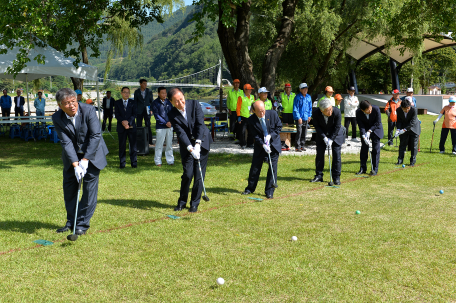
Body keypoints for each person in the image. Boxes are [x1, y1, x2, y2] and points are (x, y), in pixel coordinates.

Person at [52, 88, 109, 235]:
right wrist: (76, 164)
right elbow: (66, 143)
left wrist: (85, 159)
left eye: (73, 101)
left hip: (93, 153)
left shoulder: (89, 110)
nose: (71, 105)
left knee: (89, 191)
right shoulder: (57, 117)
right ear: (60, 105)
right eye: (67, 103)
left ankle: (82, 224)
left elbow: (96, 135)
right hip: (72, 157)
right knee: (70, 189)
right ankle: (71, 221)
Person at [168, 87, 212, 213]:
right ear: (171, 102)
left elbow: (199, 124)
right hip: (187, 146)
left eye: (181, 99)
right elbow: (180, 133)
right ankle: (182, 202)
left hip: (202, 142)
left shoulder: (194, 104)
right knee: (187, 174)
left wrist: (197, 144)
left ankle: (194, 204)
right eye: (176, 101)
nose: (180, 103)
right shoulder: (172, 114)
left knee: (199, 175)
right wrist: (191, 149)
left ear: (184, 96)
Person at [241, 101, 282, 199]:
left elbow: (279, 127)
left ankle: (269, 191)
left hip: (274, 145)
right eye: (259, 111)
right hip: (260, 146)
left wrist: (270, 136)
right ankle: (250, 188)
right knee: (255, 167)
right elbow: (255, 135)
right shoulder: (251, 120)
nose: (262, 113)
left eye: (263, 110)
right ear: (253, 111)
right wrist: (263, 145)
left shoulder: (273, 114)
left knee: (272, 168)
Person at [310, 98, 345, 185]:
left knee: (336, 155)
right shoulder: (315, 113)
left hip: (335, 135)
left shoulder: (336, 112)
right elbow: (317, 127)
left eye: (330, 109)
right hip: (322, 135)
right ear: (321, 111)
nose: (330, 112)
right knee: (319, 155)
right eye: (327, 111)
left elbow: (337, 127)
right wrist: (324, 138)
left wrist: (331, 139)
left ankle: (336, 177)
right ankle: (319, 175)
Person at [356, 100, 384, 176]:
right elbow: (361, 125)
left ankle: (374, 169)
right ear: (362, 110)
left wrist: (369, 131)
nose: (370, 111)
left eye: (370, 108)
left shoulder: (376, 109)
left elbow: (378, 122)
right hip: (365, 131)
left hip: (376, 130)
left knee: (375, 149)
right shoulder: (358, 112)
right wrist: (363, 135)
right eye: (368, 110)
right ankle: (363, 168)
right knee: (364, 148)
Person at [151, 87, 174, 166]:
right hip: (161, 127)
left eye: (165, 93)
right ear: (158, 93)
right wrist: (165, 123)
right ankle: (158, 161)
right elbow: (157, 116)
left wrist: (170, 122)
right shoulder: (155, 103)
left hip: (170, 126)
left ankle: (170, 161)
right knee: (159, 145)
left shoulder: (169, 101)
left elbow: (172, 112)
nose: (164, 95)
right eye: (162, 93)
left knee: (169, 145)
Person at [115, 87, 137, 169]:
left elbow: (134, 114)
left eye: (128, 92)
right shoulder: (117, 103)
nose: (126, 94)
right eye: (125, 92)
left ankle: (134, 163)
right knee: (122, 146)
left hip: (131, 126)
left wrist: (128, 122)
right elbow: (117, 114)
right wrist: (123, 122)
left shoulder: (133, 102)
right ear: (121, 93)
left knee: (133, 146)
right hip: (121, 127)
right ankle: (122, 163)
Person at [395, 97, 421, 167]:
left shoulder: (414, 109)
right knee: (402, 145)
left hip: (414, 129)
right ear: (401, 107)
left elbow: (412, 122)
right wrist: (398, 130)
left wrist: (404, 130)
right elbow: (399, 121)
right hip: (403, 128)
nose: (407, 110)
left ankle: (412, 161)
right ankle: (400, 160)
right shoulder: (398, 110)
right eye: (405, 109)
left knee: (413, 146)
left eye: (408, 108)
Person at [293, 83, 312, 152]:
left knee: (304, 132)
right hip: (299, 119)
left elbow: (310, 107)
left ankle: (302, 146)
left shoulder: (308, 97)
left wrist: (309, 116)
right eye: (304, 88)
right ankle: (297, 147)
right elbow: (295, 109)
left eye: (306, 88)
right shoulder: (297, 97)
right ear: (300, 89)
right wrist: (298, 118)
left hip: (306, 117)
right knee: (299, 132)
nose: (305, 90)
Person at [134, 79, 154, 145]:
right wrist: (135, 110)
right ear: (140, 84)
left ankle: (150, 141)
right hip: (139, 111)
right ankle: (139, 141)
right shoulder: (136, 92)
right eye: (144, 83)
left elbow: (152, 101)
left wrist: (151, 109)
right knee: (139, 126)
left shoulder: (149, 91)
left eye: (146, 83)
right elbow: (135, 102)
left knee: (148, 125)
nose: (145, 85)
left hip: (147, 110)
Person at [236, 83, 255, 149]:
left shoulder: (253, 97)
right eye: (249, 89)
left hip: (251, 116)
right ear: (245, 90)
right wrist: (238, 116)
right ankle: (243, 144)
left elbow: (254, 107)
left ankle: (250, 143)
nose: (250, 91)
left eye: (251, 89)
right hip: (243, 117)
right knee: (242, 131)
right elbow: (238, 107)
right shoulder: (240, 97)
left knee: (251, 131)